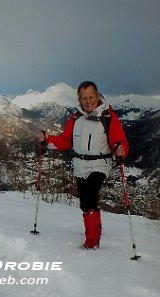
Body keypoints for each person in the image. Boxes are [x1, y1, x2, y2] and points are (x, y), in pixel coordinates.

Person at [40, 80, 129, 250]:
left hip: (100, 164)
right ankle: (95, 227)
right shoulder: (75, 118)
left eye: (91, 97)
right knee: (84, 203)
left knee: (90, 199)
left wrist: (120, 149)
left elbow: (119, 140)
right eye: (83, 98)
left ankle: (92, 241)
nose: (88, 101)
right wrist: (48, 140)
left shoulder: (108, 117)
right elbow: (66, 141)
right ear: (79, 100)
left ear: (97, 96)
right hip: (80, 165)